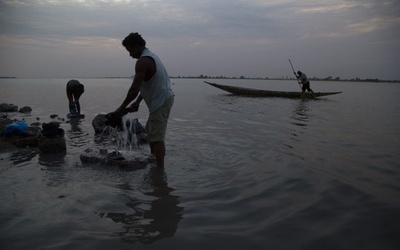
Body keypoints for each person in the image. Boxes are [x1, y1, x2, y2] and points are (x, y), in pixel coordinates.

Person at [114, 32, 175, 168]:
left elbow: (134, 90)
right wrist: (137, 102)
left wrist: (121, 108)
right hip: (162, 99)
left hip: (161, 101)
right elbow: (147, 84)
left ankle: (159, 171)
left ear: (136, 46)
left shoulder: (143, 61)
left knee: (157, 138)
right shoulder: (151, 56)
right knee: (151, 133)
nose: (130, 54)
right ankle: (153, 161)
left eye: (130, 50)